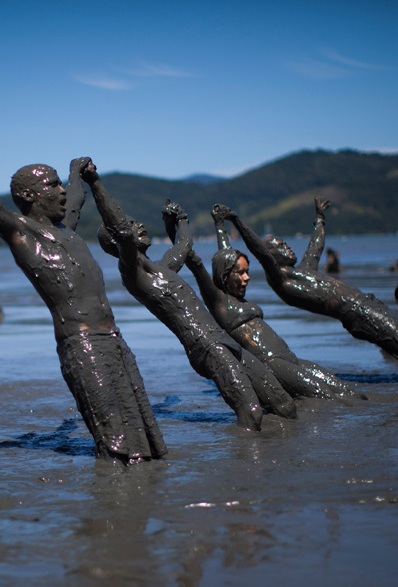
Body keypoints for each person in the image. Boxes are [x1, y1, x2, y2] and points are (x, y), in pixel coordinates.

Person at [0, 148, 165, 462]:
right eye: (53, 185)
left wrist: (77, 171)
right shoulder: (21, 233)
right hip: (83, 346)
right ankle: (113, 502)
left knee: (147, 439)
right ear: (31, 195)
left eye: (60, 183)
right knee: (116, 445)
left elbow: (77, 196)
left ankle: (145, 499)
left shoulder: (66, 229)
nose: (62, 190)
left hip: (116, 341)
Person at [80, 160, 298, 431]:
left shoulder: (163, 268)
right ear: (118, 239)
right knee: (251, 412)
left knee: (285, 406)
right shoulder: (133, 273)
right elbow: (120, 229)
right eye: (131, 225)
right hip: (206, 348)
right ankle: (245, 469)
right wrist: (95, 182)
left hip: (224, 341)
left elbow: (184, 244)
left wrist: (179, 219)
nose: (139, 226)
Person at [216, 201, 398, 379]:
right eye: (280, 247)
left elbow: (315, 248)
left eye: (284, 243)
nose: (287, 248)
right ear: (272, 257)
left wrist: (319, 220)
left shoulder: (304, 271)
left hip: (366, 303)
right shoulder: (280, 280)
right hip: (355, 312)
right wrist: (236, 221)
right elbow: (258, 249)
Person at [180, 204, 363, 400]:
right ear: (224, 276)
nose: (247, 277)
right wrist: (179, 224)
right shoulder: (219, 301)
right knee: (327, 396)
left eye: (247, 271)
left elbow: (226, 252)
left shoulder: (238, 298)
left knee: (344, 389)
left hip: (290, 358)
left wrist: (219, 223)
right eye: (240, 273)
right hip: (272, 363)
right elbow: (198, 264)